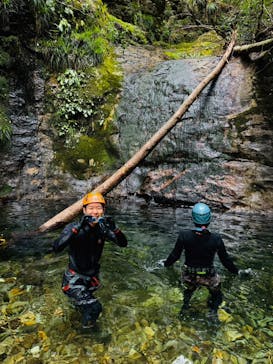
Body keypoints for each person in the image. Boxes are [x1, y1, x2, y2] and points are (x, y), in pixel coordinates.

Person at [53, 192, 128, 329]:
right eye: (91, 208)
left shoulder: (102, 229)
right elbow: (57, 247)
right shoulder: (74, 228)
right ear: (84, 211)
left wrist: (115, 229)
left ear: (103, 211)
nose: (95, 212)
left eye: (99, 208)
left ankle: (78, 322)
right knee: (95, 307)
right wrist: (78, 227)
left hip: (92, 278)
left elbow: (123, 244)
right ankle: (85, 336)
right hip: (74, 280)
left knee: (85, 306)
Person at [164, 202, 249, 318]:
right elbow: (225, 261)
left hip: (190, 276)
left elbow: (175, 256)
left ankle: (185, 307)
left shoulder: (184, 235)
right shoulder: (216, 238)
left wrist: (165, 265)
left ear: (193, 218)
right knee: (217, 294)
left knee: (188, 291)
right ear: (209, 219)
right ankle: (213, 312)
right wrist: (237, 271)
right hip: (209, 276)